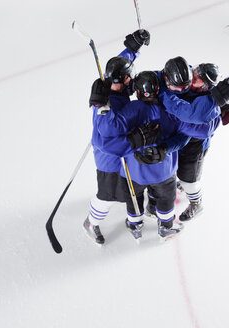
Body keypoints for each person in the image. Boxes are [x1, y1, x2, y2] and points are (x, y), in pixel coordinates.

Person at [93, 71, 221, 240]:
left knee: (134, 199)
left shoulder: (128, 109)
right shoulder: (172, 113)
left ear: (137, 92)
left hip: (133, 172)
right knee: (166, 199)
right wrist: (217, 105)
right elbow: (200, 130)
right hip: (163, 172)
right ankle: (165, 227)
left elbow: (107, 134)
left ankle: (134, 226)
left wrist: (100, 106)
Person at [146, 58, 229, 221]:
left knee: (189, 179)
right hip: (178, 141)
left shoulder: (210, 106)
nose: (190, 80)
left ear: (205, 87)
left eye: (195, 80)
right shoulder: (186, 79)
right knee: (174, 170)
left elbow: (196, 125)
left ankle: (196, 203)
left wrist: (218, 101)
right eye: (193, 73)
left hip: (194, 147)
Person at [83, 29, 150, 244]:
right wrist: (134, 141)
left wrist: (133, 48)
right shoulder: (108, 105)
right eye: (130, 77)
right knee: (107, 194)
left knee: (123, 187)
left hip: (122, 153)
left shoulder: (111, 83)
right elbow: (103, 141)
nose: (133, 80)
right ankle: (91, 222)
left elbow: (121, 64)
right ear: (124, 80)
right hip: (110, 158)